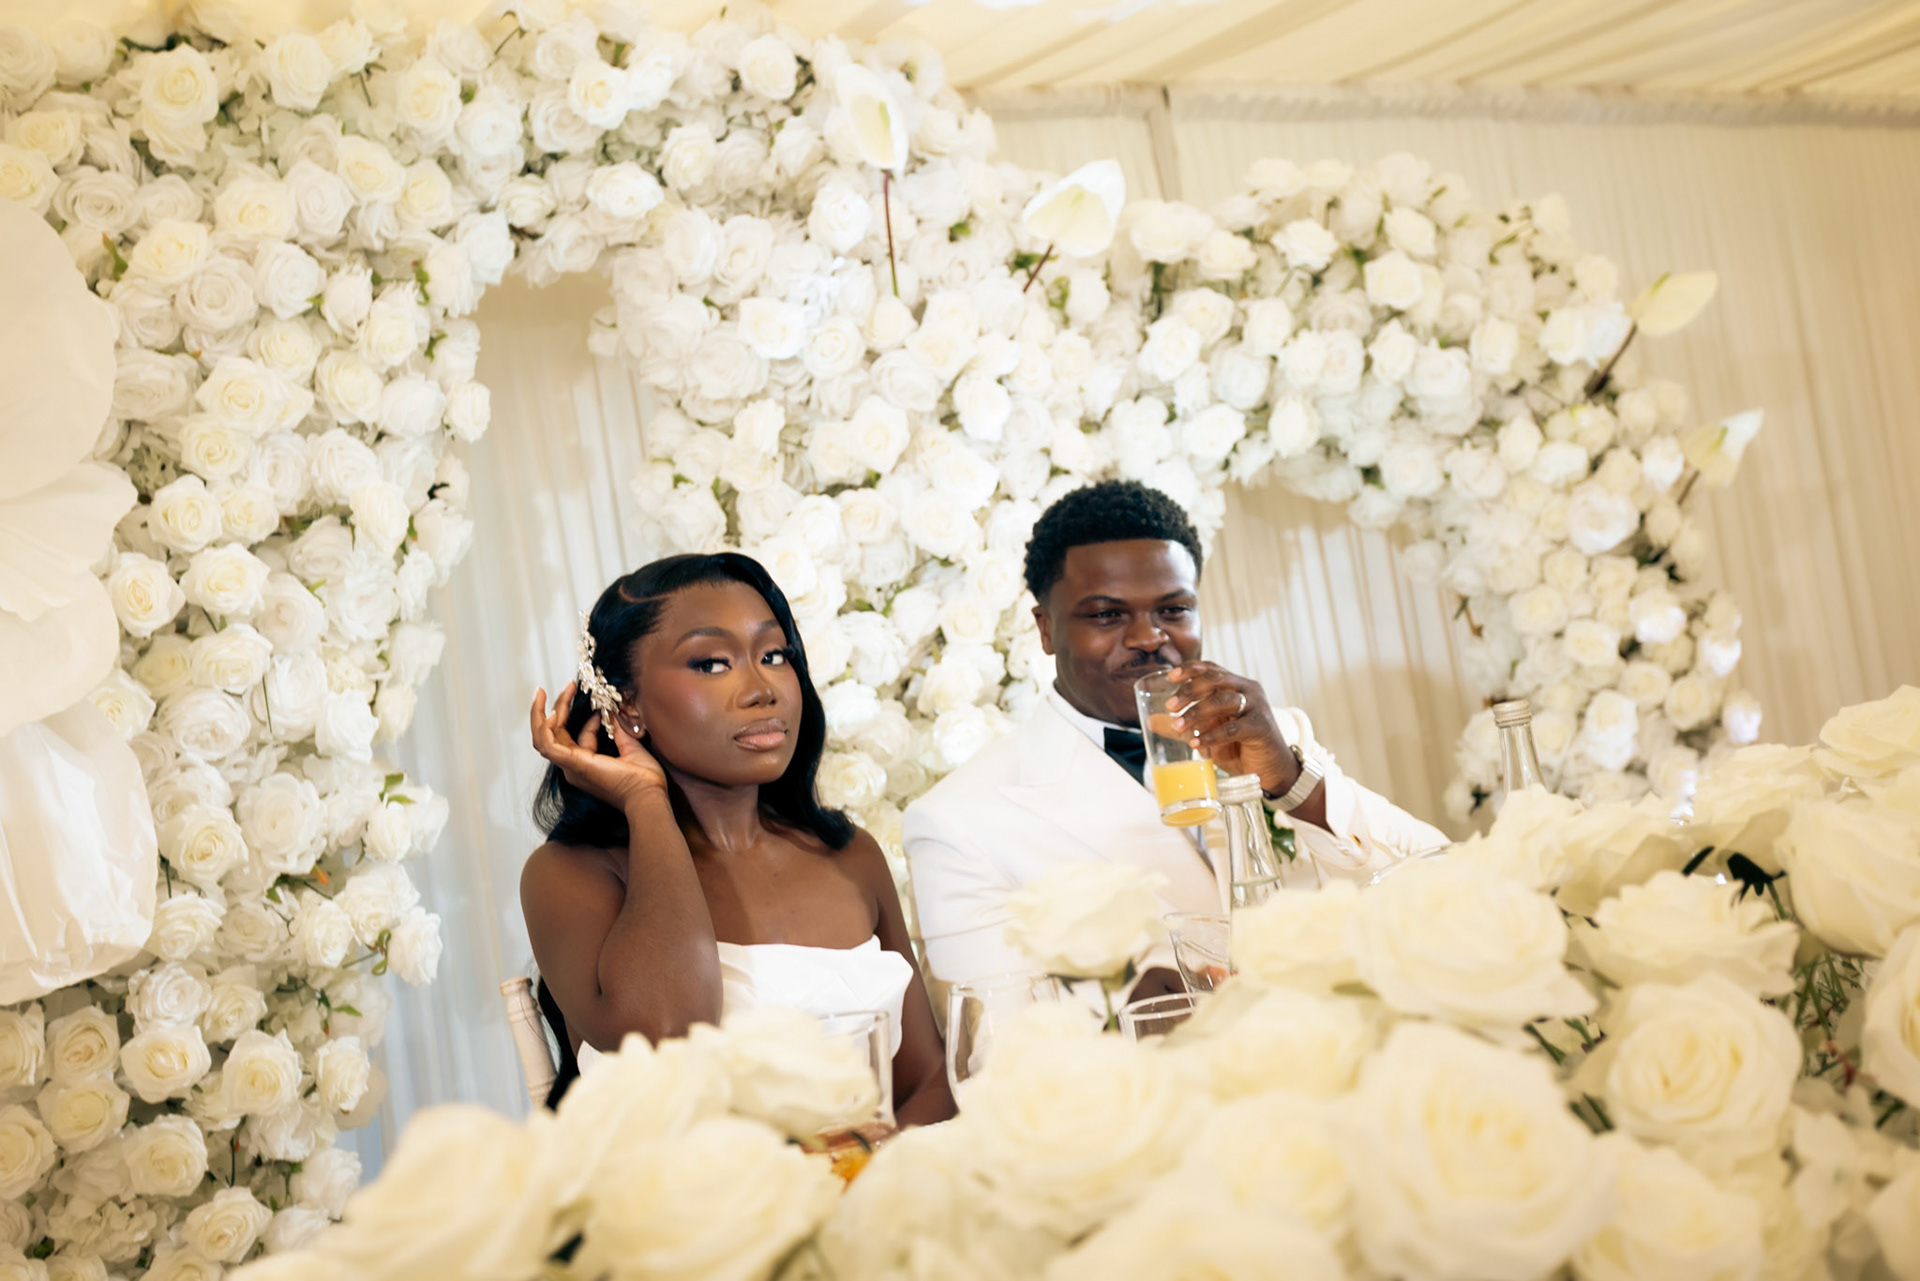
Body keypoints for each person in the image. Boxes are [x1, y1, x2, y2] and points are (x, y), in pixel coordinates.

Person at [904, 480, 1449, 996]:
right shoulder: (959, 821)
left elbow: (1443, 881)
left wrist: (1291, 782)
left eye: (1173, 609)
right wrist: (1130, 1019)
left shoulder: (1279, 738)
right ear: (1046, 629)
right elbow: (995, 1041)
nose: (1148, 637)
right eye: (1107, 614)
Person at [523, 552, 955, 1123]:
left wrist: (863, 1170)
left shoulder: (850, 855)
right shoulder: (570, 874)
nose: (762, 689)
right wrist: (646, 803)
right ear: (627, 708)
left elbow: (930, 1082)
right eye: (711, 664)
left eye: (774, 655)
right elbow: (666, 1037)